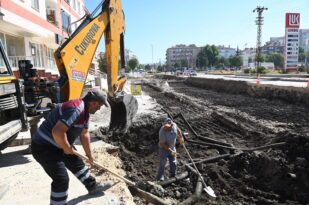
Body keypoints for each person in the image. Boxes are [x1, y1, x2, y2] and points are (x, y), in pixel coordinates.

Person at [31, 89, 112, 205]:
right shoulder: (76, 109)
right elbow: (58, 131)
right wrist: (66, 148)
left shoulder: (85, 112)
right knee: (61, 180)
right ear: (94, 102)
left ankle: (92, 186)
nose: (99, 108)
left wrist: (90, 155)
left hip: (58, 143)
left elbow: (84, 133)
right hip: (44, 147)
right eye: (100, 105)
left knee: (76, 162)